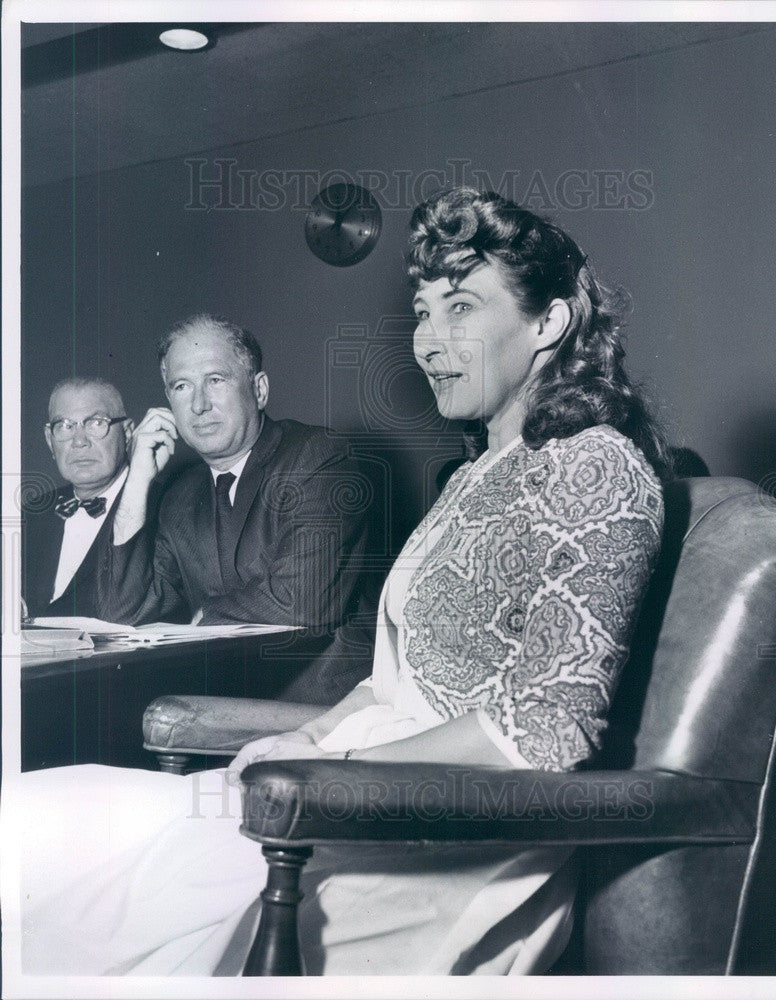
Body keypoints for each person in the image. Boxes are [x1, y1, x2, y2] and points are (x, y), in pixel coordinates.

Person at [17, 188, 667, 976]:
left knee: (89, 901)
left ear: (549, 322)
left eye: (460, 306)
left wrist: (338, 772)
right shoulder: (476, 474)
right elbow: (393, 682)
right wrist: (309, 735)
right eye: (422, 313)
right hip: (348, 774)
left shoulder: (594, 464)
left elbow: (546, 735)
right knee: (40, 810)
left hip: (445, 829)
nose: (429, 341)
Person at [97, 313, 373, 702]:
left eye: (216, 380)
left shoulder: (318, 456)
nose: (198, 405)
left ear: (259, 390)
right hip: (225, 704)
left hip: (324, 710)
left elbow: (303, 602)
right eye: (181, 386)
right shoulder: (180, 494)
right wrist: (137, 480)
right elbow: (122, 612)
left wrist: (205, 616)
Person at [22, 377, 135, 618]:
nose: (79, 441)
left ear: (127, 433)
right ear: (49, 441)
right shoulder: (30, 513)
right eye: (64, 426)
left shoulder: (164, 507)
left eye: (96, 423)